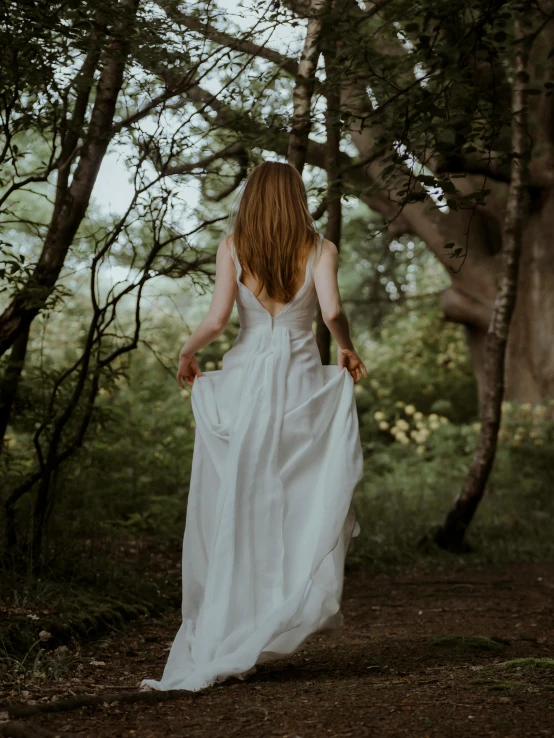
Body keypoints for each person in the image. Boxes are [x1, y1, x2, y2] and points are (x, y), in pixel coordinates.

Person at [140, 161, 367, 692]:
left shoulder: (233, 246)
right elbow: (331, 309)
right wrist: (348, 345)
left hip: (244, 381)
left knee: (239, 502)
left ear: (251, 198)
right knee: (294, 498)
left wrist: (187, 351)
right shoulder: (321, 248)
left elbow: (219, 318)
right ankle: (280, 608)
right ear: (296, 197)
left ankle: (234, 621)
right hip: (300, 382)